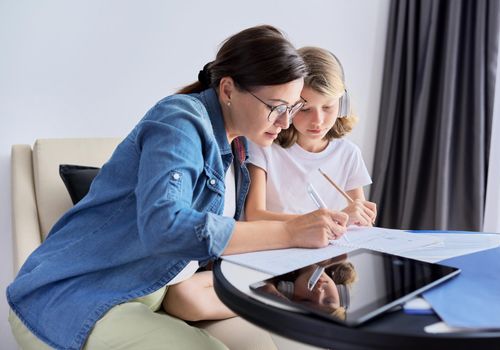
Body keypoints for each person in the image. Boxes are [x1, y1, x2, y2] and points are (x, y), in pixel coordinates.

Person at [6, 26, 350, 350]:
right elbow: (166, 226)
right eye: (276, 107)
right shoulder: (180, 122)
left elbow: (210, 247)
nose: (286, 122)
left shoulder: (236, 150)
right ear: (228, 89)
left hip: (145, 289)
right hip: (73, 297)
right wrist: (289, 232)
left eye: (292, 108)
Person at [244, 46, 377, 226]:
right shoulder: (264, 146)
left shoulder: (349, 154)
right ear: (288, 106)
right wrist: (330, 218)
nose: (317, 121)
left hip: (327, 251)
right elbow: (254, 215)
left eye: (327, 107)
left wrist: (361, 217)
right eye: (305, 109)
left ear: (342, 104)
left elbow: (361, 223)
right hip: (278, 249)